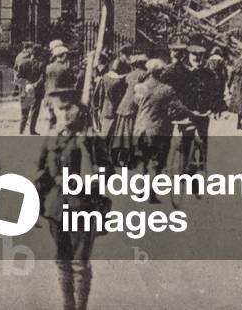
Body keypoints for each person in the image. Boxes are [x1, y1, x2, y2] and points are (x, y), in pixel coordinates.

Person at [36, 90, 106, 310]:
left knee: (79, 263)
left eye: (69, 108)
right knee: (62, 260)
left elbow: (108, 171)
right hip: (56, 208)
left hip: (83, 206)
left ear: (79, 108)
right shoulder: (52, 136)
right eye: (60, 108)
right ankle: (68, 305)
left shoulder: (91, 136)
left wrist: (90, 160)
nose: (65, 113)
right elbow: (41, 173)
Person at [132, 59, 176, 203]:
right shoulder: (167, 89)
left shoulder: (140, 87)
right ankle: (151, 193)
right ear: (160, 72)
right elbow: (174, 108)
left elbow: (135, 103)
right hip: (157, 129)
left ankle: (139, 190)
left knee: (141, 159)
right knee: (155, 161)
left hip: (140, 128)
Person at [108, 54, 146, 168]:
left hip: (123, 106)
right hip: (133, 107)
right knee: (129, 132)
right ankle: (128, 158)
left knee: (120, 133)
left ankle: (116, 156)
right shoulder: (144, 75)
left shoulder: (129, 75)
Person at [93, 59, 129, 137]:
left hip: (104, 107)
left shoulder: (104, 77)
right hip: (114, 109)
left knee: (104, 131)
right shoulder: (118, 81)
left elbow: (98, 94)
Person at [43, 45, 76, 132]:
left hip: (50, 96)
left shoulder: (48, 67)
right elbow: (72, 80)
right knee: (63, 120)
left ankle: (51, 132)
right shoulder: (65, 68)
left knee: (52, 117)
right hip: (62, 98)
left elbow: (47, 81)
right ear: (64, 55)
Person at [14, 42, 44, 135]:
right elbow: (43, 78)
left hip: (24, 90)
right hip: (37, 90)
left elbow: (18, 78)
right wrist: (34, 85)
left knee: (24, 112)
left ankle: (21, 131)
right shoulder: (42, 65)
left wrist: (26, 84)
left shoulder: (23, 63)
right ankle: (32, 131)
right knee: (35, 112)